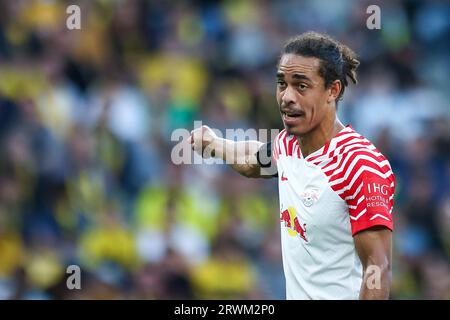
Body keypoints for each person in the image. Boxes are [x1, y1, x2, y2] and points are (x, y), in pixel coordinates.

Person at [188, 31, 395, 300]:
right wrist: (214, 144)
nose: (286, 96)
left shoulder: (360, 165)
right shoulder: (288, 144)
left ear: (333, 90)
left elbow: (378, 267)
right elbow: (254, 160)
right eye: (281, 83)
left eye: (301, 85)